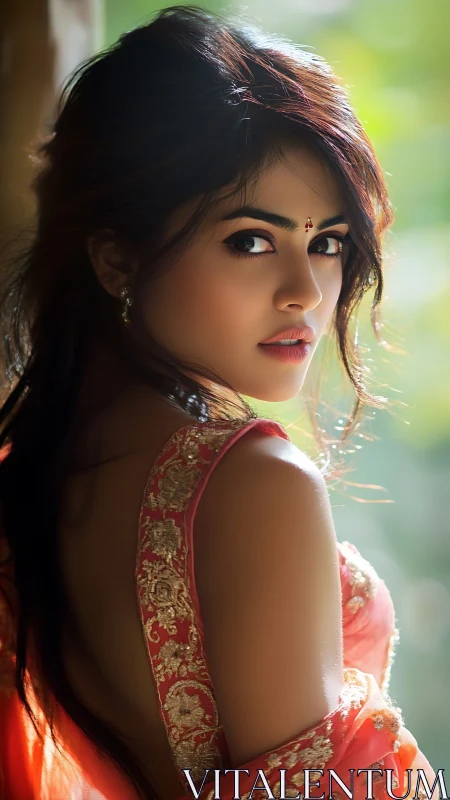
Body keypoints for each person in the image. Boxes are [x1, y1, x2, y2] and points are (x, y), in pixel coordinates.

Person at [0, 5, 439, 800]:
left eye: (329, 241)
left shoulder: (35, 463)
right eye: (251, 240)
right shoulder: (257, 484)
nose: (306, 291)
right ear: (115, 255)